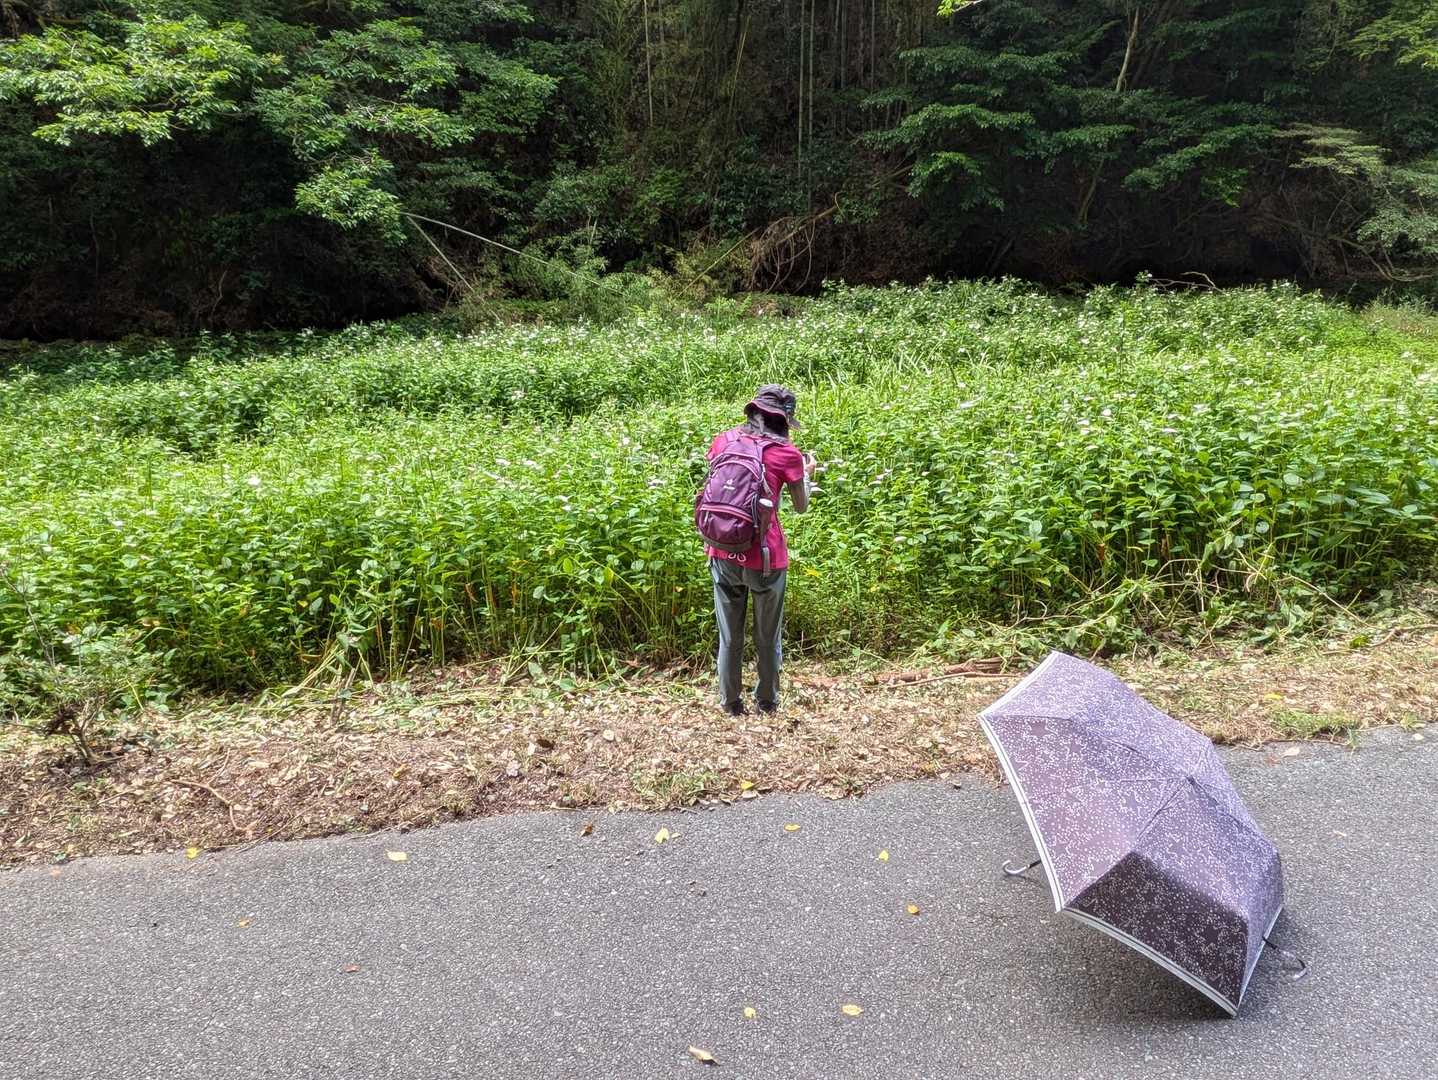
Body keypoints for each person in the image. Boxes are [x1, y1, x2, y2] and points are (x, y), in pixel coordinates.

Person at [703, 385, 818, 715]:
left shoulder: (724, 440)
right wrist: (806, 475)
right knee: (767, 637)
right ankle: (766, 702)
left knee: (729, 636)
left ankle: (730, 703)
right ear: (784, 420)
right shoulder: (787, 454)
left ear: (753, 412)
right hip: (766, 558)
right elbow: (801, 506)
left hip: (722, 551)